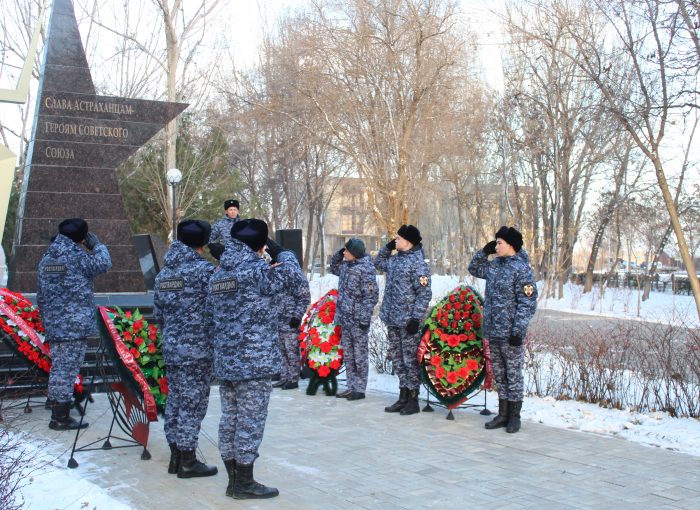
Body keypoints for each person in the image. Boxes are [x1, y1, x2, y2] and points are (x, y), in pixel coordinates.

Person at [206, 219, 296, 499]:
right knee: (250, 420)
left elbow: (210, 315)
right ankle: (244, 482)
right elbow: (293, 276)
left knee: (230, 418)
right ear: (261, 245)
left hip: (227, 360)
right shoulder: (257, 270)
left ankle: (233, 479)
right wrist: (283, 253)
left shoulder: (219, 274)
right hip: (254, 360)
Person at [153, 220, 218, 479]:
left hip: (172, 346)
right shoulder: (205, 271)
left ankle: (176, 456)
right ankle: (188, 460)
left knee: (176, 401)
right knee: (192, 404)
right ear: (203, 243)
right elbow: (216, 311)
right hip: (197, 350)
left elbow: (158, 313)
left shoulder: (164, 274)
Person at [37, 218, 112, 430]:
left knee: (59, 367)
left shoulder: (47, 258)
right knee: (66, 369)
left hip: (55, 322)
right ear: (82, 238)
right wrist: (97, 246)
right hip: (73, 324)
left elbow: (40, 294)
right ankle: (60, 417)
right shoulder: (76, 256)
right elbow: (104, 263)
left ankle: (57, 407)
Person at [468, 226, 538, 434]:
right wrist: (484, 252)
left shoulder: (522, 269)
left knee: (513, 374)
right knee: (500, 375)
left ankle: (514, 416)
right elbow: (473, 269)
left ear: (511, 245)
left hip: (510, 333)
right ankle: (503, 414)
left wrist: (518, 330)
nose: (496, 246)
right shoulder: (494, 265)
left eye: (499, 243)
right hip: (493, 330)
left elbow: (527, 302)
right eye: (496, 242)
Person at [374, 225, 431, 415]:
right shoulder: (394, 260)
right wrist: (388, 246)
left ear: (408, 241)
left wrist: (416, 318)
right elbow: (378, 262)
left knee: (409, 361)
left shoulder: (418, 264)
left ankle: (413, 400)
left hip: (408, 322)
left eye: (398, 238)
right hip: (392, 318)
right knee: (398, 360)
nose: (395, 241)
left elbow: (424, 294)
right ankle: (403, 396)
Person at [330, 238, 379, 400]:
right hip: (345, 318)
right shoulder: (346, 266)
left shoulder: (366, 269)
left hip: (358, 320)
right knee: (349, 356)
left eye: (347, 251)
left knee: (359, 355)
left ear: (355, 254)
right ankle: (351, 386)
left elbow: (371, 296)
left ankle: (360, 389)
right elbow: (333, 267)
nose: (344, 253)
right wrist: (341, 252)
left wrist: (364, 319)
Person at [269, 238, 310, 391]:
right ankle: (285, 376)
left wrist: (297, 316)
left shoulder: (296, 275)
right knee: (282, 351)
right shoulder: (277, 272)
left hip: (290, 319)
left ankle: (293, 378)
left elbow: (304, 297)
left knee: (291, 350)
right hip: (278, 318)